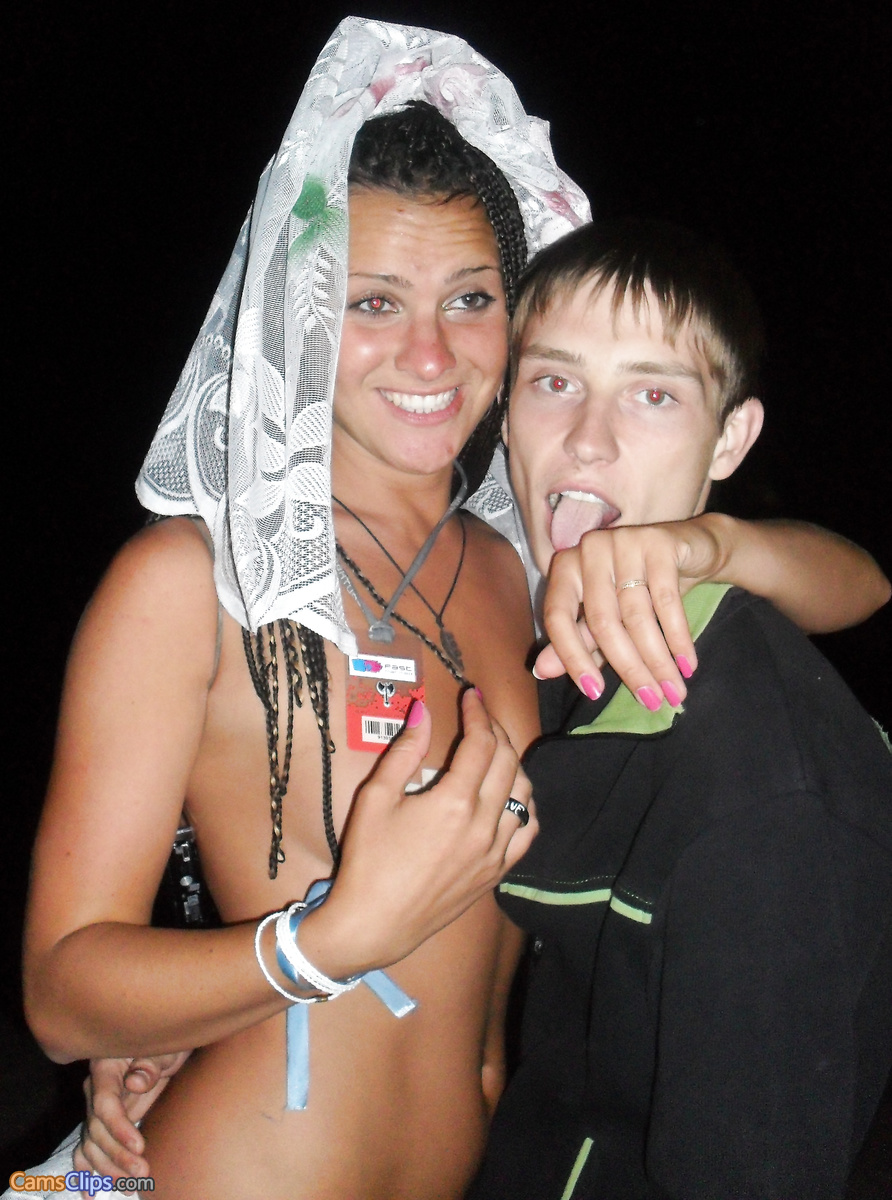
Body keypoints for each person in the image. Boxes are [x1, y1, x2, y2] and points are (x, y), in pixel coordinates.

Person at [9, 18, 888, 1200]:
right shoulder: (196, 580)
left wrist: (712, 541)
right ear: (300, 311)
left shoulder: (524, 572)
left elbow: (856, 585)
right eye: (373, 302)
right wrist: (319, 945)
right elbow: (62, 998)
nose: (428, 356)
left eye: (470, 298)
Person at [464, 218, 892, 1199]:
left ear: (729, 438)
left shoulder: (757, 792)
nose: (587, 438)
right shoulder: (548, 647)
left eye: (653, 394)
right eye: (553, 381)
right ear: (506, 409)